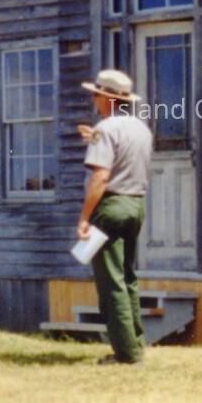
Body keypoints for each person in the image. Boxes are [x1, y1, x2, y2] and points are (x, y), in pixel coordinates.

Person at [76, 70, 154, 366]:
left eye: (96, 95)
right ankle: (135, 343)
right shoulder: (141, 128)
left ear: (108, 98)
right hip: (135, 204)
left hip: (110, 206)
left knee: (111, 282)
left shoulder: (105, 129)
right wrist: (94, 138)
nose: (93, 100)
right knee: (127, 276)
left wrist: (84, 218)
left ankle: (125, 353)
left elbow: (100, 177)